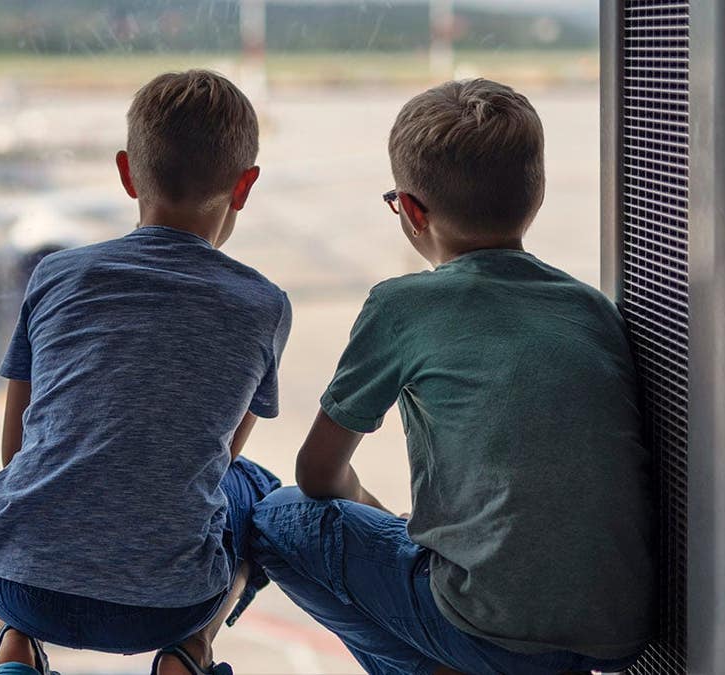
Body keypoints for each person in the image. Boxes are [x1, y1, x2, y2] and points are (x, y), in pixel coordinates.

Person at [250, 79, 655, 675]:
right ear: (535, 195)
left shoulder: (402, 306)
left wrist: (380, 516)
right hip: (619, 632)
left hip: (491, 627)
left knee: (275, 519)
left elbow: (316, 472)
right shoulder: (592, 308)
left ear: (411, 212)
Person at [0, 69, 291, 675]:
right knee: (259, 491)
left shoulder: (56, 274)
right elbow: (215, 465)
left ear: (126, 172)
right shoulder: (263, 304)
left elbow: (16, 449)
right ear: (245, 187)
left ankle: (13, 644)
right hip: (166, 607)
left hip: (17, 585)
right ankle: (191, 651)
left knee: (15, 491)